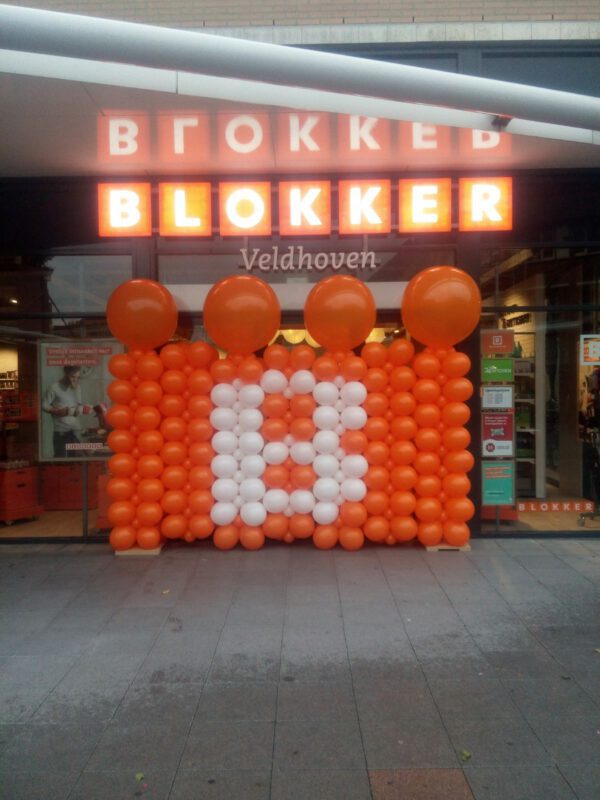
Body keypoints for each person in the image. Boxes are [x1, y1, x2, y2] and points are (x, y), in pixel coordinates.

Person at [42, 365, 91, 457]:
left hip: (76, 431)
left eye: (77, 377)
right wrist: (56, 411)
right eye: (73, 377)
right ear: (65, 374)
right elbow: (44, 405)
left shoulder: (78, 387)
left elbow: (78, 405)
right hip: (61, 432)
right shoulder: (54, 387)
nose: (75, 380)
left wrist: (83, 409)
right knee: (61, 461)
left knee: (75, 462)